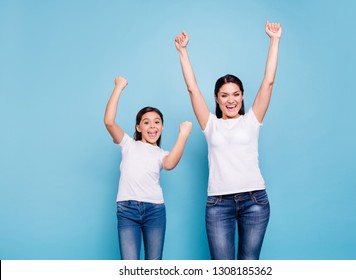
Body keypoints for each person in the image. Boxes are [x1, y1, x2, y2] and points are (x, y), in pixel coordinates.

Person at [174, 21, 282, 260]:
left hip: (255, 201)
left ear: (243, 97)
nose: (230, 100)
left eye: (235, 94)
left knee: (248, 266)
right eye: (224, 95)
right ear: (217, 98)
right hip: (218, 205)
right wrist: (183, 52)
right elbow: (193, 89)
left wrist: (274, 41)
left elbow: (268, 82)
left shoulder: (252, 120)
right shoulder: (210, 124)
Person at [104, 76, 192, 260]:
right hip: (127, 210)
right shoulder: (128, 144)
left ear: (162, 127)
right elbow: (109, 122)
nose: (152, 126)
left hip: (155, 211)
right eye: (146, 122)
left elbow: (169, 164)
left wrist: (183, 136)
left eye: (157, 122)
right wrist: (119, 87)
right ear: (138, 127)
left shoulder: (161, 154)